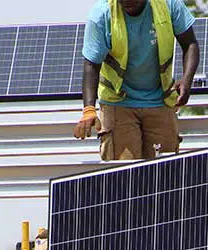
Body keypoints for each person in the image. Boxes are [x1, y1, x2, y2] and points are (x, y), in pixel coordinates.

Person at [74, 0, 200, 160]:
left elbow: (190, 44)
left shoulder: (169, 5)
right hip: (118, 103)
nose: (128, 2)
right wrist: (89, 110)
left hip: (160, 100)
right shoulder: (101, 15)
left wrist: (187, 80)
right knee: (124, 174)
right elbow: (91, 64)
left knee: (164, 174)